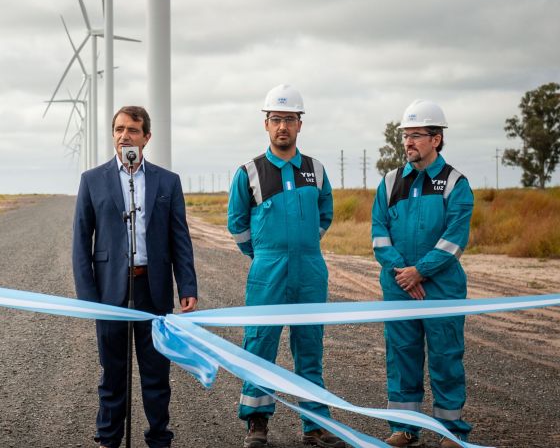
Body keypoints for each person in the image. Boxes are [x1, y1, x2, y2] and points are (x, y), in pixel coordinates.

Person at [72, 105, 198, 448]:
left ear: (146, 138)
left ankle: (159, 438)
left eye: (132, 130)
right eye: (118, 129)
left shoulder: (167, 181)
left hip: (153, 290)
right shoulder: (92, 180)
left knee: (156, 374)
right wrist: (87, 296)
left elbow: (180, 238)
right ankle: (109, 438)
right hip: (110, 291)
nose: (124, 135)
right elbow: (81, 241)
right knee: (113, 374)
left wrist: (186, 285)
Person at [226, 84, 344, 448]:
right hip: (268, 271)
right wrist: (262, 254)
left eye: (289, 119)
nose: (283, 127)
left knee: (310, 346)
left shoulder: (316, 170)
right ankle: (257, 423)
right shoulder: (249, 173)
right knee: (260, 344)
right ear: (266, 124)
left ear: (299, 124)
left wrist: (303, 245)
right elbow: (237, 224)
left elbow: (325, 217)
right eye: (276, 119)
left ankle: (315, 425)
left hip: (309, 269)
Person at [372, 100, 473, 448]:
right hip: (399, 286)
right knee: (401, 355)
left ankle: (452, 431)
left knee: (446, 356)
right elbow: (379, 235)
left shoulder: (455, 183)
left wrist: (421, 272)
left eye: (416, 135)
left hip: (441, 288)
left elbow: (454, 239)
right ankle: (404, 427)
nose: (408, 142)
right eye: (406, 135)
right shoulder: (389, 183)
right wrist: (404, 274)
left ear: (437, 139)